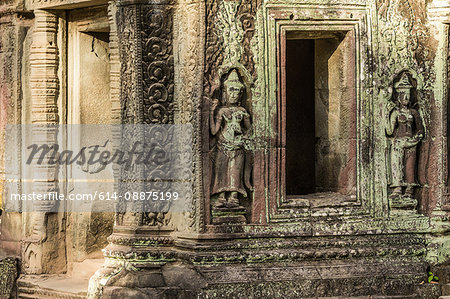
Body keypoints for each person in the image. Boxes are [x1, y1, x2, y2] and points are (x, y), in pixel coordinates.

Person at [210, 69, 252, 208]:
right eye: (231, 91)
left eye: (237, 92)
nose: (233, 95)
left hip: (238, 147)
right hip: (222, 145)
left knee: (235, 171)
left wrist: (243, 137)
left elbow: (249, 129)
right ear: (225, 93)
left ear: (240, 95)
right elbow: (214, 131)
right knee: (221, 171)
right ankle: (220, 195)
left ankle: (234, 196)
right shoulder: (222, 111)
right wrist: (211, 112)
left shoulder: (242, 112)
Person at [386, 72, 424, 199]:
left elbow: (420, 130)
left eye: (408, 95)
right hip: (398, 143)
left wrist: (415, 139)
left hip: (411, 142)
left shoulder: (414, 112)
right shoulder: (395, 113)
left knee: (410, 165)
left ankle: (409, 188)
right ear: (398, 97)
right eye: (403, 95)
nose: (406, 98)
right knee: (397, 164)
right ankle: (397, 187)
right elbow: (390, 131)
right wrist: (387, 113)